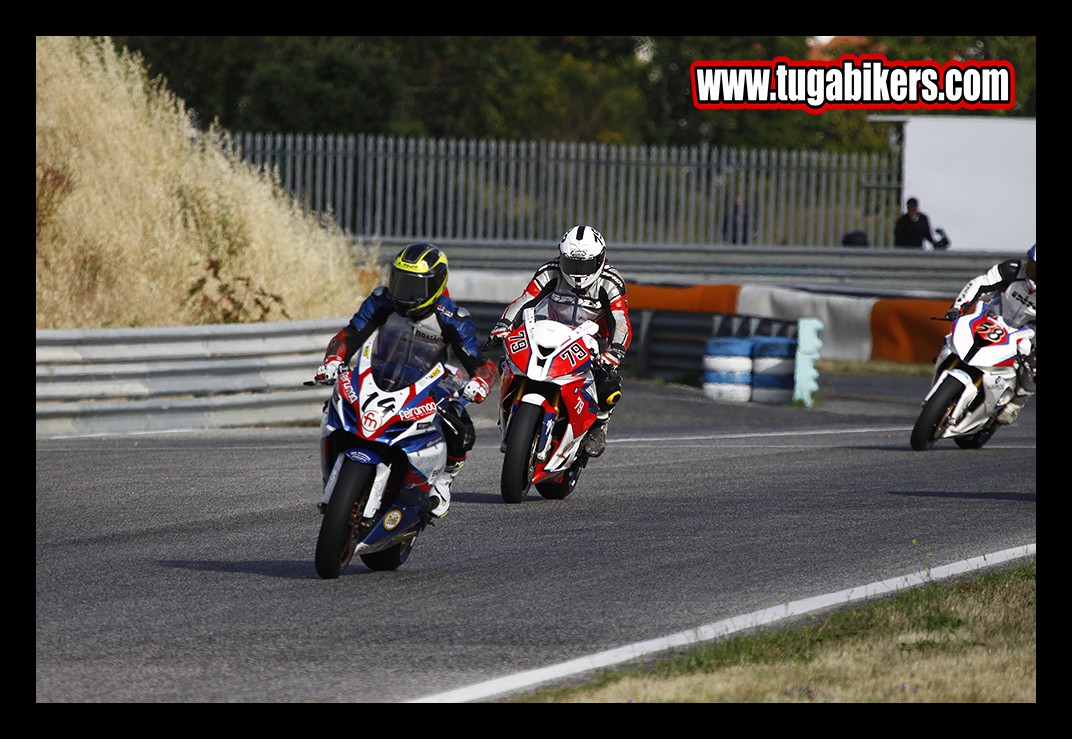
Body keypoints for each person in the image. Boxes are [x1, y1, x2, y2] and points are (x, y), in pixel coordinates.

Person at [313, 243, 497, 519]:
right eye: (399, 281)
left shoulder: (452, 319)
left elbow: (482, 364)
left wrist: (480, 383)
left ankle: (444, 480)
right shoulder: (381, 301)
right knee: (339, 401)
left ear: (434, 286)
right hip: (379, 372)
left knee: (459, 424)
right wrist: (333, 360)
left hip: (429, 381)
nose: (402, 292)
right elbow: (349, 335)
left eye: (413, 286)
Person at [488, 225, 632, 458]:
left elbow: (620, 321)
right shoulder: (550, 271)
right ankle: (509, 408)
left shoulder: (611, 282)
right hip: (549, 330)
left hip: (592, 339)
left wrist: (613, 352)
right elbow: (526, 300)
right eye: (571, 264)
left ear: (599, 261)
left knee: (608, 382)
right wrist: (503, 326)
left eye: (584, 265)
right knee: (508, 361)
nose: (577, 272)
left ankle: (598, 426)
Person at [944, 244, 1036, 424]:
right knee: (953, 336)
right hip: (993, 317)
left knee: (1033, 367)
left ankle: (1016, 403)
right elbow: (981, 282)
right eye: (1033, 266)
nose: (1032, 273)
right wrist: (960, 306)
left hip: (1024, 333)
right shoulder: (1012, 270)